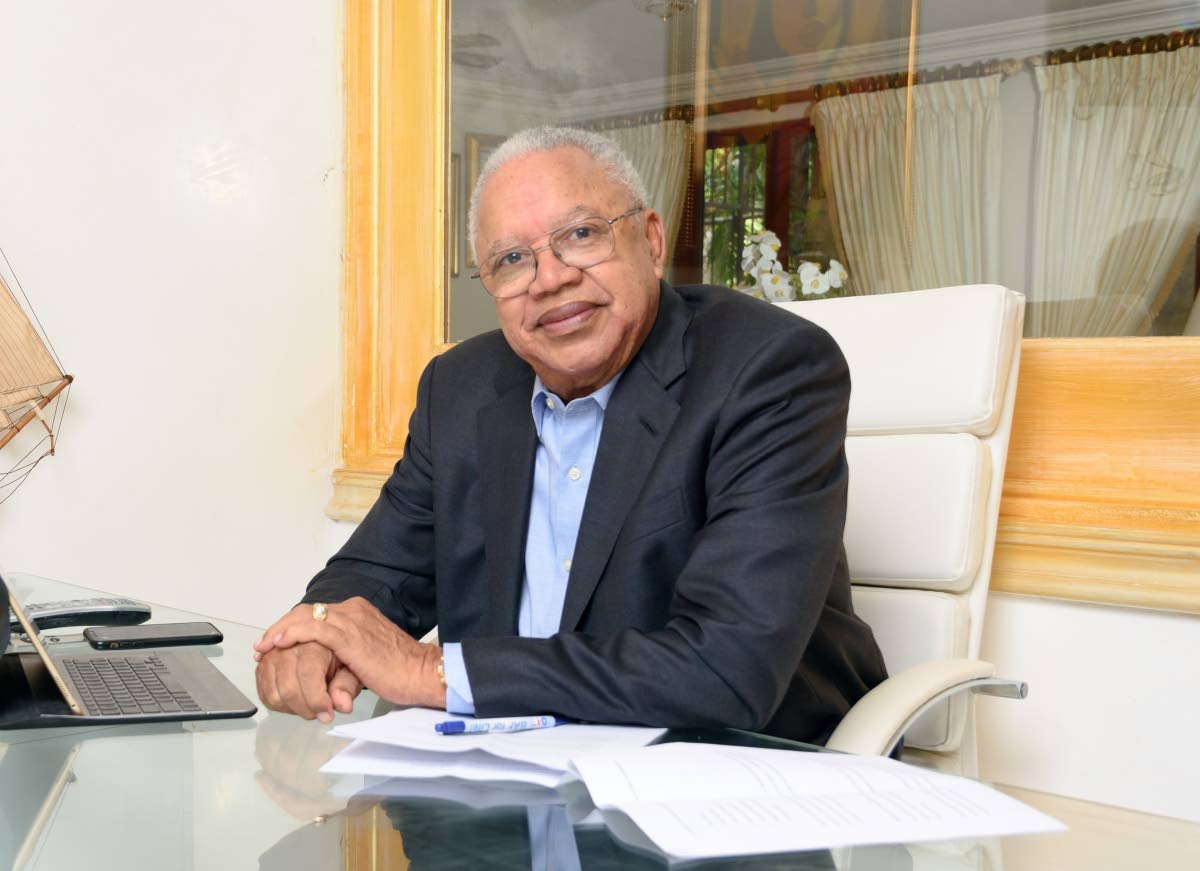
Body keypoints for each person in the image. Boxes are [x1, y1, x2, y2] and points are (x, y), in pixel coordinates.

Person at [254, 126, 886, 744]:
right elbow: (377, 570)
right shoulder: (461, 388)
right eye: (511, 259)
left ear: (651, 240)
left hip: (734, 770)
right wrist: (315, 635)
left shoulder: (767, 369)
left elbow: (728, 667)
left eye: (581, 235)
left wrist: (429, 670)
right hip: (515, 767)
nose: (550, 278)